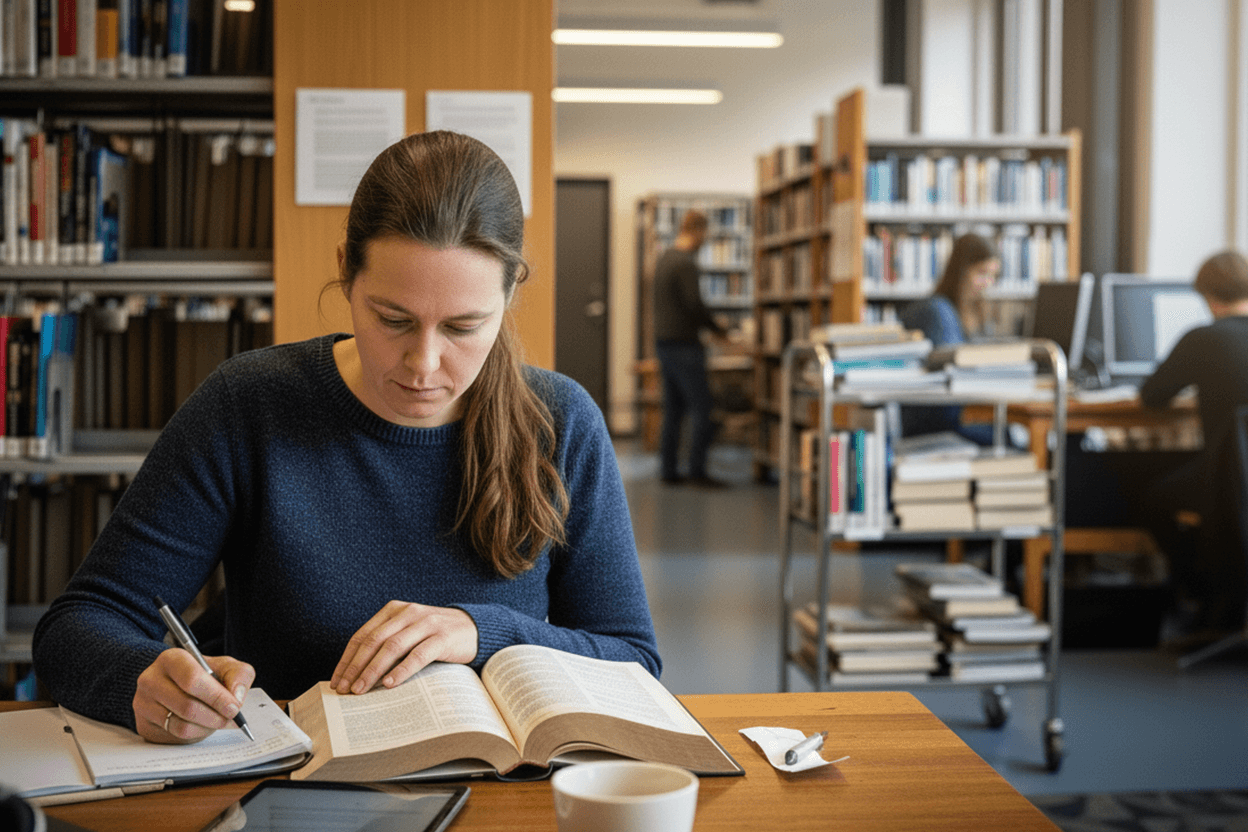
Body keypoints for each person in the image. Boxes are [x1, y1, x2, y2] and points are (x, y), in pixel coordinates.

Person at [32, 131, 660, 744]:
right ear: (346, 275)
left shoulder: (560, 420)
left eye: (465, 326)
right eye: (393, 320)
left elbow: (633, 662)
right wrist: (139, 679)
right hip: (285, 792)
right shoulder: (250, 404)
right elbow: (75, 628)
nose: (423, 363)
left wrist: (483, 631)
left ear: (509, 294)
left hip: (498, 795)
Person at [1139, 250, 1248, 634]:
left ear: (1206, 295)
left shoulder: (1205, 338)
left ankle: (1203, 591)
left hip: (1228, 478)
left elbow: (1152, 396)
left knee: (1155, 499)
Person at [898, 232, 1001, 444]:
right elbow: (954, 375)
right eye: (981, 273)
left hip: (956, 418)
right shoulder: (938, 312)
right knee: (1011, 439)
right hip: (936, 428)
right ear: (961, 270)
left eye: (993, 276)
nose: (987, 283)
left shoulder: (968, 314)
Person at [652, 210, 729, 487]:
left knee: (673, 409)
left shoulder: (665, 258)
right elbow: (694, 305)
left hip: (663, 342)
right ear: (697, 230)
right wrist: (720, 330)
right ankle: (697, 470)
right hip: (684, 345)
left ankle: (669, 470)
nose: (705, 240)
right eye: (705, 234)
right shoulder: (685, 263)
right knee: (702, 408)